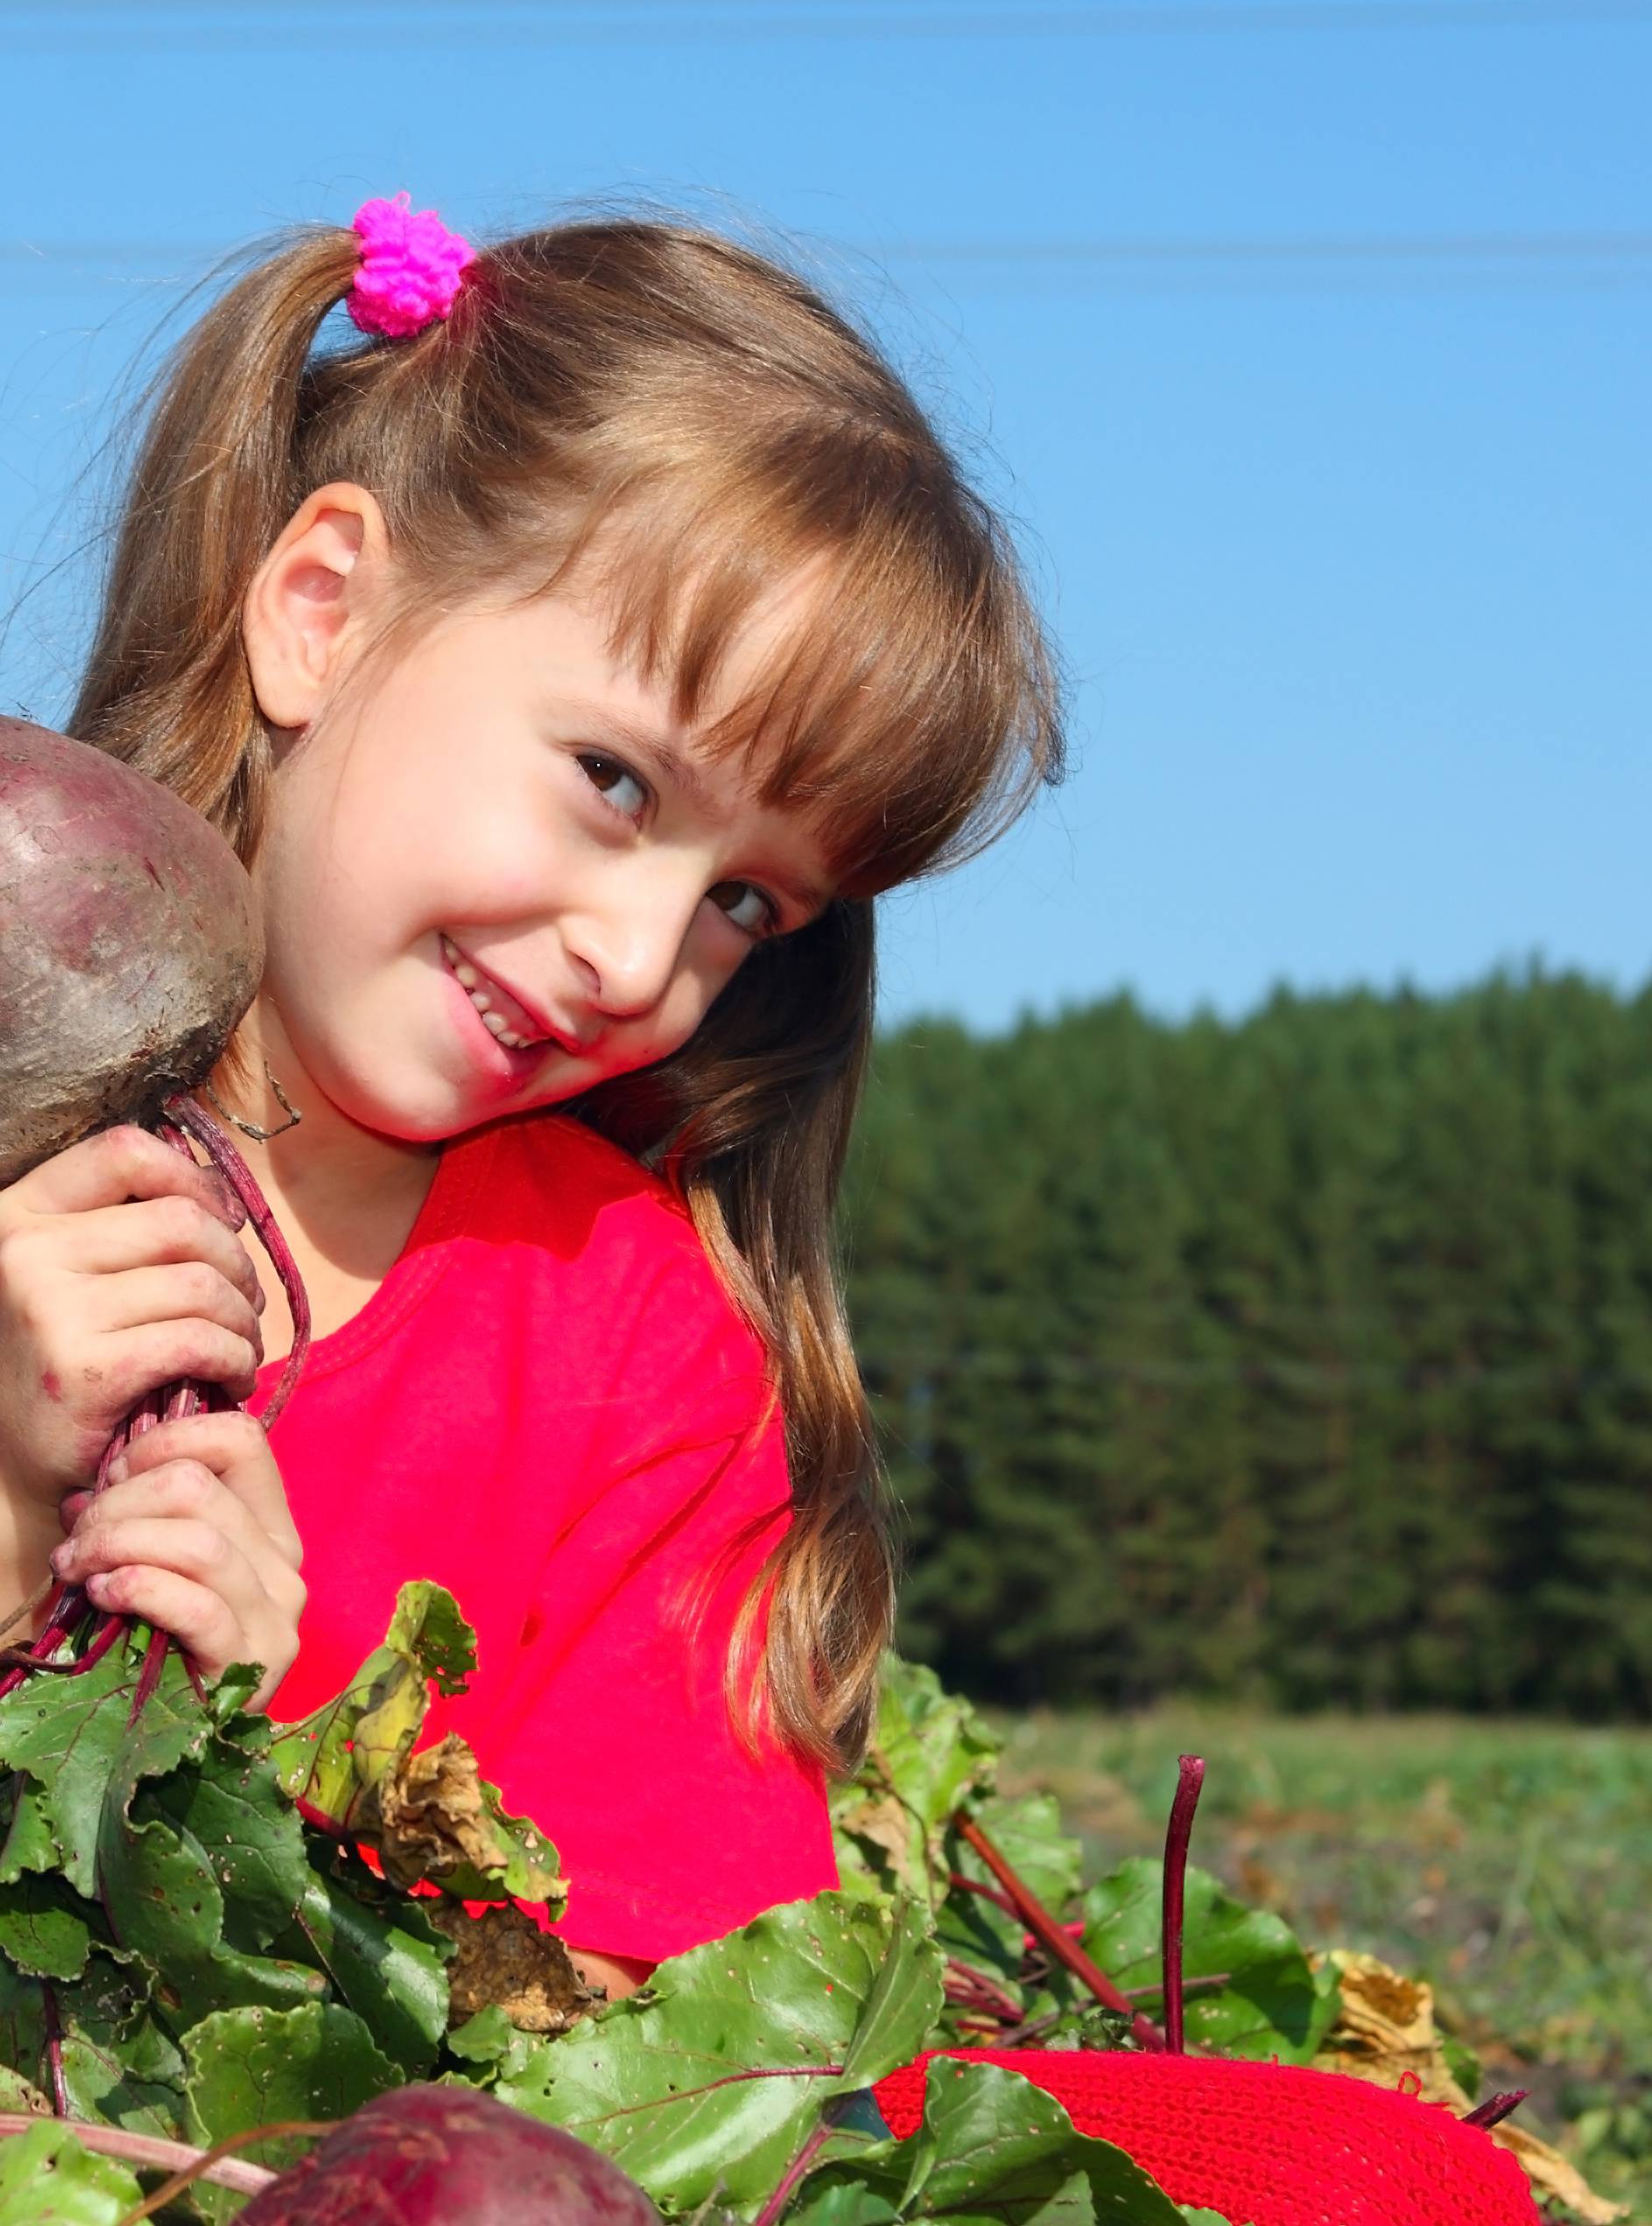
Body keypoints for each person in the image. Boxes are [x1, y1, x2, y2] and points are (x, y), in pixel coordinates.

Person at [0, 193, 1063, 2001]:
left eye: (749, 904)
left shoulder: (636, 1343)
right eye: (617, 783)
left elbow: (721, 2011)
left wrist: (312, 1751)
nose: (642, 963)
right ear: (322, 612)